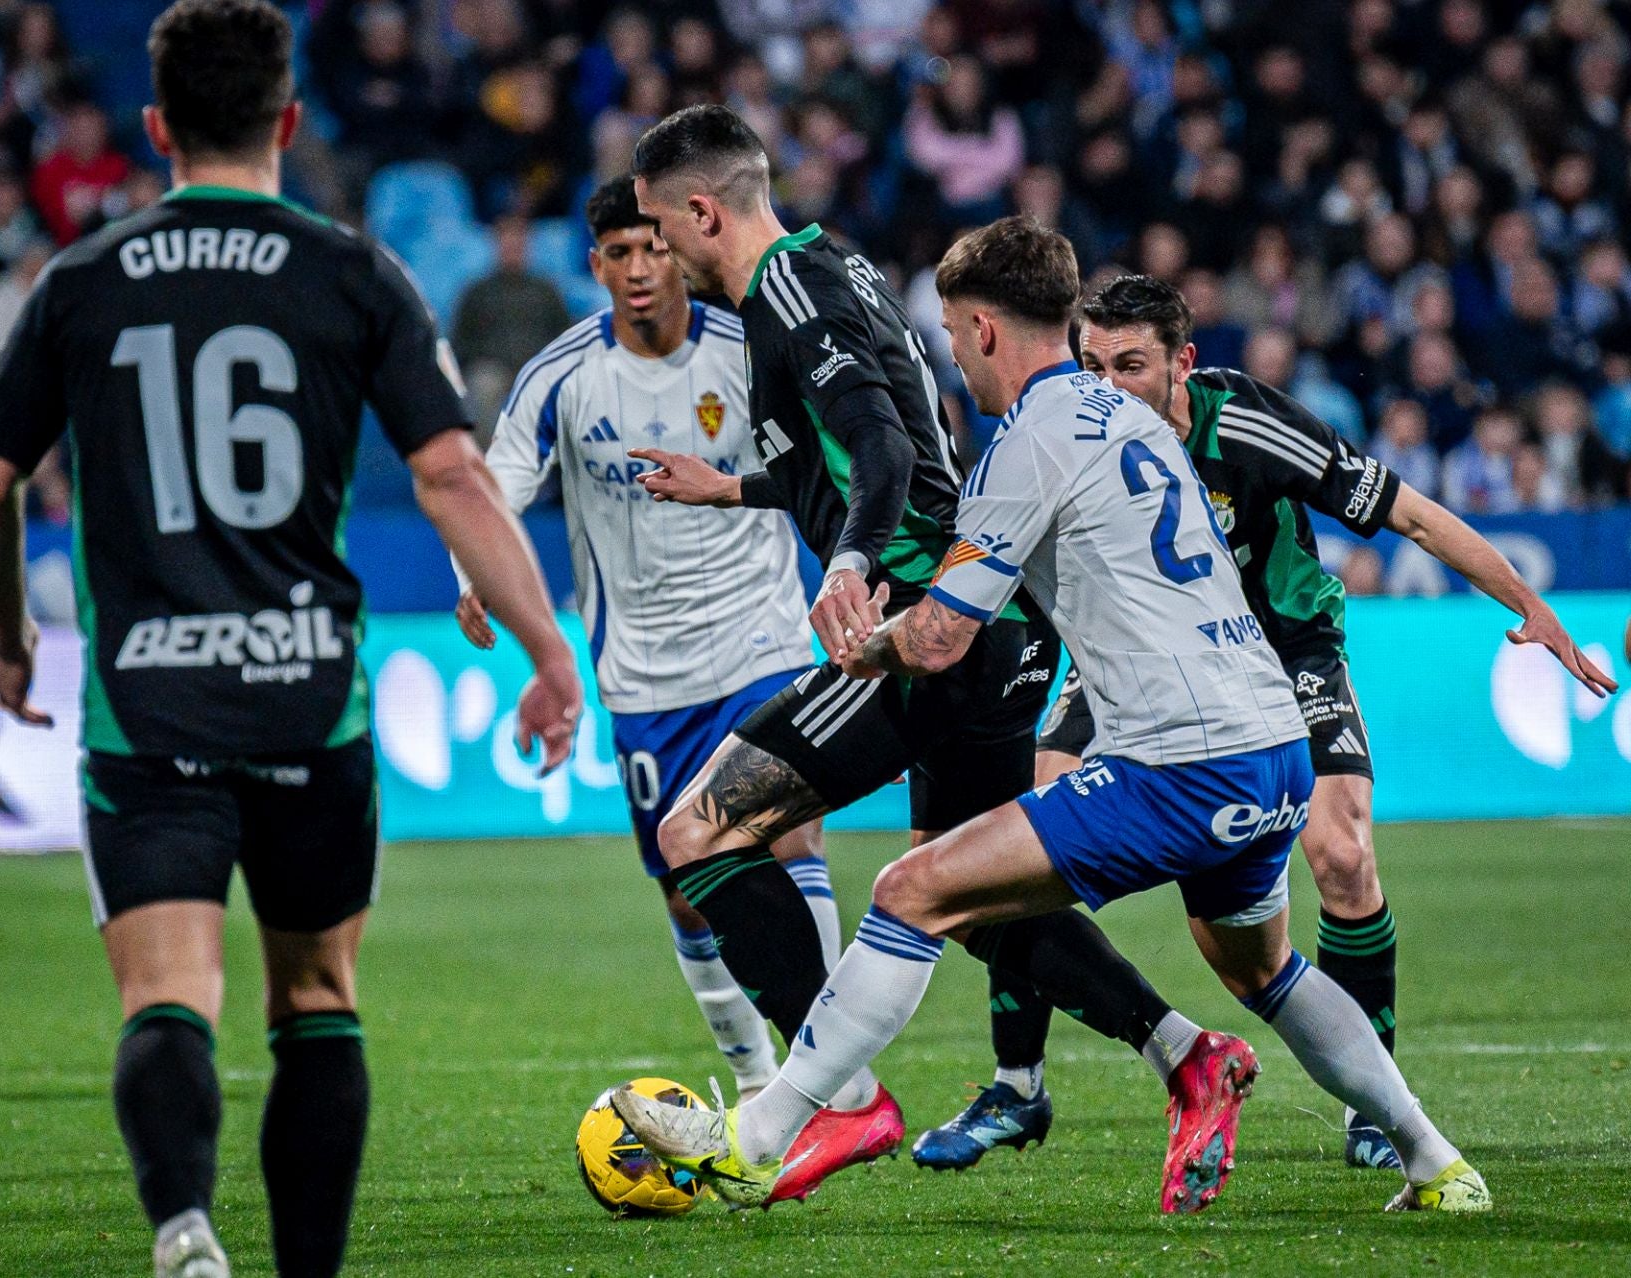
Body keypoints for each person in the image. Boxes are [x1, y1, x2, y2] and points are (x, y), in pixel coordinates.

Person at [614, 216, 1513, 1217]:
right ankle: (1437, 1161)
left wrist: (872, 643)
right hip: (1274, 752)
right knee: (1267, 972)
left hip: (1176, 768)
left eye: (953, 335)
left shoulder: (1026, 443)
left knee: (915, 887)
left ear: (986, 331)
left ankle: (762, 1134)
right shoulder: (1138, 418)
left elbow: (943, 637)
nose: (952, 357)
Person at [0, 4, 582, 1276]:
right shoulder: (353, 272)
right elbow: (454, 475)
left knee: (168, 996)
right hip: (308, 695)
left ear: (155, 127)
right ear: (288, 124)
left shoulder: (78, 281)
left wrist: (12, 641)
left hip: (150, 705)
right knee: (316, 1001)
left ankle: (184, 1226)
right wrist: (549, 651)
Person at [628, 105, 1192, 1198]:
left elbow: (884, 449)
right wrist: (738, 486)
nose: (659, 254)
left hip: (924, 628)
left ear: (704, 210)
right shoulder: (818, 276)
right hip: (983, 628)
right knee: (964, 891)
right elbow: (866, 443)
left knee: (697, 831)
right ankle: (1181, 1049)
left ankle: (836, 1100)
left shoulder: (793, 294)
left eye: (659, 229)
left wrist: (846, 565)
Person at [994, 272, 1614, 1172]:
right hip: (1141, 661)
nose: (1106, 385)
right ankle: (1018, 1083)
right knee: (1027, 836)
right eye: (1091, 364)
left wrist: (1527, 601)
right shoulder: (1065, 435)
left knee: (1343, 851)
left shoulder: (1242, 423)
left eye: (1131, 365)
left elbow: (1407, 512)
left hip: (1286, 650)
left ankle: (1379, 1108)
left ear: (1184, 364)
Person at [454, 177, 828, 1098]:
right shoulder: (565, 374)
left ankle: (823, 1078)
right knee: (683, 888)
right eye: (617, 253)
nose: (637, 269)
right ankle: (754, 1077)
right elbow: (493, 486)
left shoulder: (750, 348)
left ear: (680, 247)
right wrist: (474, 577)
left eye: (652, 247)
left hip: (764, 645)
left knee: (791, 841)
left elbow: (834, 453)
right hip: (647, 680)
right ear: (595, 264)